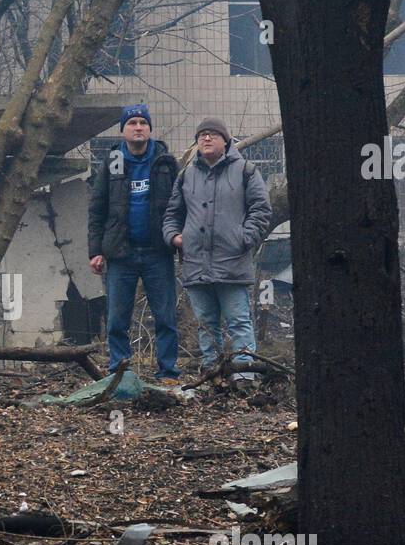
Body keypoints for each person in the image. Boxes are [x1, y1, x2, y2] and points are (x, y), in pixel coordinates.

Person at [162, 118, 271, 381]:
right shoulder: (186, 175)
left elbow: (261, 209)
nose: (206, 139)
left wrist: (244, 238)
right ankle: (213, 376)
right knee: (206, 326)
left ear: (226, 140)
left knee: (239, 323)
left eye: (212, 134)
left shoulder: (245, 170)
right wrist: (175, 238)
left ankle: (244, 377)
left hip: (232, 262)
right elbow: (171, 214)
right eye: (201, 135)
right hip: (196, 264)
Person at [88, 104, 181, 380]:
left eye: (143, 122)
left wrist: (180, 240)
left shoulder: (165, 162)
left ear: (150, 128)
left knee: (165, 317)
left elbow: (180, 205)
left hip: (158, 252)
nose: (138, 127)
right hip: (120, 253)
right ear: (123, 130)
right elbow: (97, 209)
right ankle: (119, 372)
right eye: (132, 123)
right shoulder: (111, 162)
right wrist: (95, 250)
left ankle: (168, 372)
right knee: (117, 319)